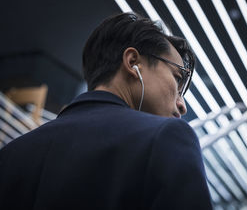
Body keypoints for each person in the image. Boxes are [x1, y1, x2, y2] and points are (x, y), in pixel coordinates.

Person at [0, 12, 213, 209]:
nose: (182, 105)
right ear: (132, 62)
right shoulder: (167, 138)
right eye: (177, 79)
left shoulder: (11, 155)